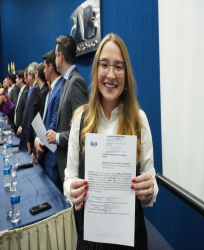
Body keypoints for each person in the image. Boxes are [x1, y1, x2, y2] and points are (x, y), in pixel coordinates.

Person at [64, 33, 158, 249]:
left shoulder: (138, 120)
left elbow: (150, 182)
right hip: (90, 237)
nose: (111, 74)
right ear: (96, 69)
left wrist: (149, 189)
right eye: (104, 65)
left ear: (126, 73)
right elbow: (68, 179)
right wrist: (72, 190)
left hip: (131, 238)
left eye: (118, 66)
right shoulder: (81, 119)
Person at [46, 34, 88, 182]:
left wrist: (57, 137)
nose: (55, 58)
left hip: (73, 168)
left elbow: (84, 130)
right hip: (64, 164)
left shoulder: (75, 82)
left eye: (56, 55)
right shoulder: (67, 81)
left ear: (61, 57)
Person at [33, 50, 63, 191]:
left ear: (50, 67)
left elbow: (54, 125)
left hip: (53, 156)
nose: (43, 70)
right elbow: (44, 121)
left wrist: (41, 146)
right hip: (46, 152)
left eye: (44, 67)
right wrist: (37, 140)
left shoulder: (60, 88)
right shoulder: (50, 90)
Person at [19, 62, 40, 152]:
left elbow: (32, 116)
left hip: (33, 136)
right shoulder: (32, 89)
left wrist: (29, 138)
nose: (26, 78)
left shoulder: (35, 89)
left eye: (27, 75)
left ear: (31, 75)